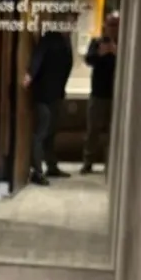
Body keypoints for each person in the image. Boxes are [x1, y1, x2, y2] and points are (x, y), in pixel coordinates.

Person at [22, 16, 74, 186]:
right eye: (68, 22)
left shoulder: (66, 41)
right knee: (42, 131)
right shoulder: (50, 38)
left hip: (56, 94)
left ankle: (51, 166)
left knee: (51, 132)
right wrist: (30, 74)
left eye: (72, 22)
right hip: (44, 94)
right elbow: (38, 56)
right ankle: (37, 171)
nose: (71, 26)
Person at [81, 11, 119, 175]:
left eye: (116, 25)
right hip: (98, 93)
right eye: (110, 24)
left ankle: (110, 164)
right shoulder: (97, 42)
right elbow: (88, 60)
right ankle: (87, 162)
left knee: (113, 132)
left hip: (116, 95)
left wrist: (116, 52)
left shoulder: (123, 44)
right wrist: (100, 53)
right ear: (105, 25)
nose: (113, 28)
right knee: (92, 131)